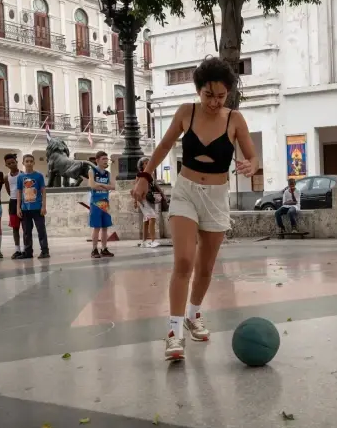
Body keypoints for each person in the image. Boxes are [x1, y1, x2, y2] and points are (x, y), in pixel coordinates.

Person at [132, 56, 258, 361]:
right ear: (198, 90)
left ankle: (193, 313)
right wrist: (144, 177)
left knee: (205, 267)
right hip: (186, 192)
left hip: (217, 197)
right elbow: (163, 146)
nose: (214, 102)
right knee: (185, 261)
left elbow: (253, 159)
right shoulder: (186, 113)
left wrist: (249, 166)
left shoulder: (235, 120)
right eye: (208, 95)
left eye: (220, 96)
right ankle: (173, 333)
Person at [16, 154, 49, 259]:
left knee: (41, 230)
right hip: (25, 209)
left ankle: (44, 251)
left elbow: (43, 191)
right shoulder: (20, 177)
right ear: (23, 163)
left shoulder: (39, 176)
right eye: (27, 161)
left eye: (31, 161)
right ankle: (28, 251)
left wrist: (44, 206)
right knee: (26, 231)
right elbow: (19, 192)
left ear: (34, 163)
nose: (29, 163)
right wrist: (18, 207)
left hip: (37, 208)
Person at [88, 150, 115, 258]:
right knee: (96, 227)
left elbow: (113, 186)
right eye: (103, 159)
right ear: (97, 160)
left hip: (105, 203)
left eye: (106, 159)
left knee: (105, 227)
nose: (106, 161)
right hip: (95, 202)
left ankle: (104, 248)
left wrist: (100, 185)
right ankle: (94, 249)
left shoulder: (108, 173)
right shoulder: (92, 171)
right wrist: (104, 185)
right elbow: (92, 185)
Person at [136, 157, 163, 248]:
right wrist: (136, 201)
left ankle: (144, 241)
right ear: (141, 165)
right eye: (145, 163)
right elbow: (135, 189)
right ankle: (153, 240)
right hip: (143, 200)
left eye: (148, 163)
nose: (148, 164)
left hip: (149, 199)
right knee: (152, 218)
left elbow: (155, 185)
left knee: (146, 220)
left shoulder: (150, 175)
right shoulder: (140, 175)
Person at [4, 153, 24, 259]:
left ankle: (26, 249)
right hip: (12, 203)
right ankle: (17, 250)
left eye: (13, 162)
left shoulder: (23, 174)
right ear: (6, 165)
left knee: (25, 227)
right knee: (15, 228)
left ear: (16, 162)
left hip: (24, 202)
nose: (11, 165)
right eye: (9, 163)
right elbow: (8, 190)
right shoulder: (6, 177)